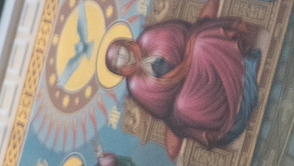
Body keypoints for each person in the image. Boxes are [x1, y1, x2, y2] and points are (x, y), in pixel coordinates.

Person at [101, 17, 260, 155]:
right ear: (119, 70)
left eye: (119, 51)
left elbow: (180, 34)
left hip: (193, 58)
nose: (121, 57)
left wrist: (178, 64)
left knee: (200, 44)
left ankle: (242, 77)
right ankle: (236, 112)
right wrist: (166, 79)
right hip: (184, 93)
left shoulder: (147, 37)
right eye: (117, 61)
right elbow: (162, 108)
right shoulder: (135, 86)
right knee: (184, 106)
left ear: (125, 44)